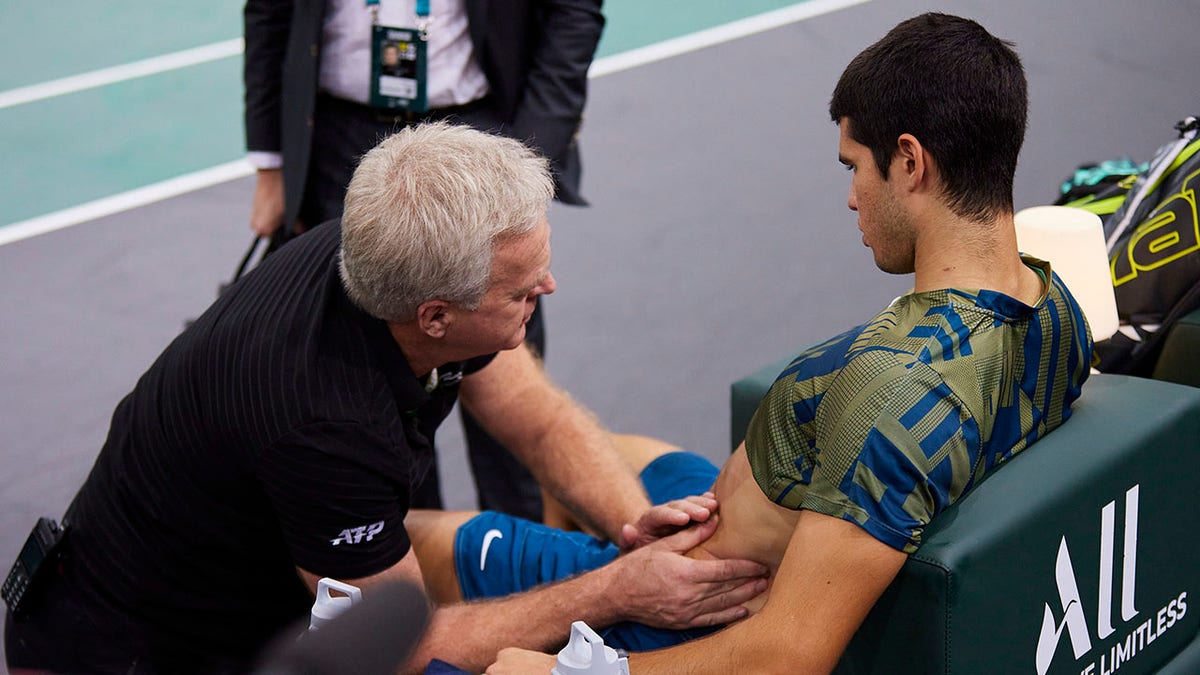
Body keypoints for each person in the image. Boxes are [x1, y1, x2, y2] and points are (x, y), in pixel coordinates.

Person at [426, 13, 1093, 673]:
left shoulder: (898, 389)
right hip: (749, 517)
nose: (853, 198)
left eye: (855, 166)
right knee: (622, 454)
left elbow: (785, 654)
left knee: (403, 570)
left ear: (911, 161)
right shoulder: (1054, 307)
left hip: (685, 613)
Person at [2, 123, 768, 675]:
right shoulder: (322, 423)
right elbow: (400, 646)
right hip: (127, 647)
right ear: (436, 313)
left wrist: (630, 526)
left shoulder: (393, 250)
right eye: (522, 286)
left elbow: (532, 416)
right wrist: (617, 589)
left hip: (248, 562)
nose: (549, 286)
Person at [243, 0, 605, 521]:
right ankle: (407, 562)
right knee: (371, 382)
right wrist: (271, 165)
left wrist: (528, 156)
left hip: (481, 139)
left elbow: (573, 12)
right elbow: (268, 13)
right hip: (339, 141)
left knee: (502, 359)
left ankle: (522, 561)